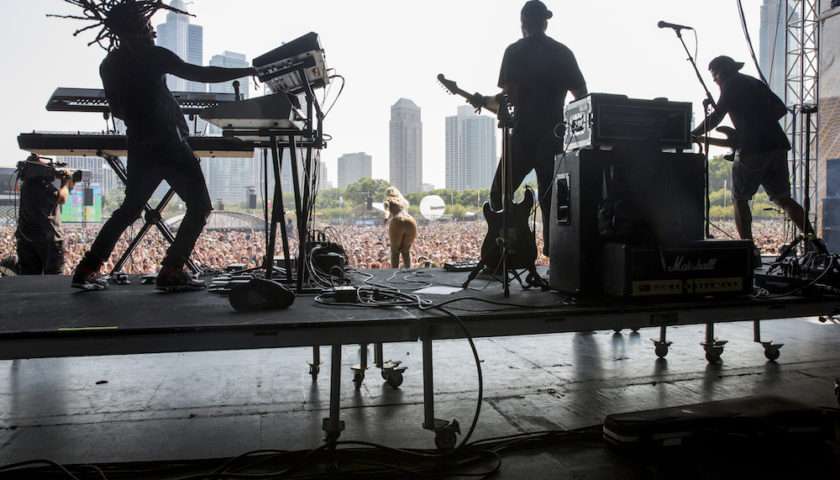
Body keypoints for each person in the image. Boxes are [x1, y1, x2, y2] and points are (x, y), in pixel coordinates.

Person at [56, 0, 257, 291]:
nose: (152, 29)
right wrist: (248, 71)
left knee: (129, 210)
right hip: (169, 145)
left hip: (140, 145)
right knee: (200, 207)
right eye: (148, 25)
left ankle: (87, 268)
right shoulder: (153, 56)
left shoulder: (108, 65)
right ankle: (172, 270)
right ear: (139, 27)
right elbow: (201, 74)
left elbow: (118, 110)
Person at [470, 0, 588, 256]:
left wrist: (485, 100)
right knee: (551, 201)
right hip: (554, 137)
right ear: (545, 22)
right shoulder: (562, 52)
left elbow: (509, 96)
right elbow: (581, 95)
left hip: (523, 135)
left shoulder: (514, 51)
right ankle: (555, 260)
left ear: (523, 22)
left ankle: (512, 246)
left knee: (499, 194)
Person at [691, 56, 824, 254]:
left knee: (740, 199)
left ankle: (747, 250)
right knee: (783, 199)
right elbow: (780, 109)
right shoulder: (754, 82)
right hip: (777, 146)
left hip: (752, 150)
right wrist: (758, 123)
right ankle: (816, 245)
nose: (715, 81)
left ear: (722, 72)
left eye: (715, 77)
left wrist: (693, 134)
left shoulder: (731, 83)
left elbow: (716, 117)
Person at [15, 155, 75, 275]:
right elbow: (62, 198)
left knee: (29, 278)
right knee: (53, 279)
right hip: (49, 239)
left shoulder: (26, 184)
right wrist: (67, 182)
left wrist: (65, 181)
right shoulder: (42, 184)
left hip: (26, 238)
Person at [383, 187, 417, 269]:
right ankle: (409, 270)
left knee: (395, 251)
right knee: (406, 250)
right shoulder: (403, 202)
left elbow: (387, 211)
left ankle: (394, 273)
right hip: (411, 221)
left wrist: (386, 218)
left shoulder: (388, 200)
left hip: (397, 220)